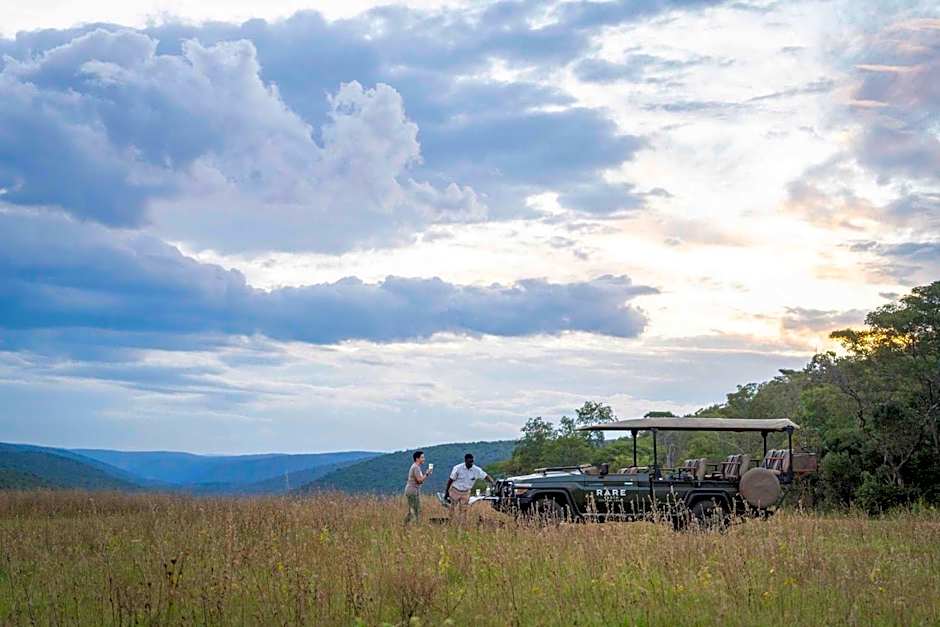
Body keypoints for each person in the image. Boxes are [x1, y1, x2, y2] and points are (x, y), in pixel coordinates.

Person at [446, 453, 494, 523]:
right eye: (469, 462)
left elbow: (486, 476)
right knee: (452, 507)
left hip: (466, 492)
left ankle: (462, 523)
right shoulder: (457, 468)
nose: (471, 463)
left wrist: (493, 482)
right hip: (455, 490)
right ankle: (451, 521)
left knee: (464, 509)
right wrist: (447, 491)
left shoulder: (476, 470)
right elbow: (450, 480)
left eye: (472, 462)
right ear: (465, 461)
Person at [404, 450, 432, 524]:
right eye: (422, 457)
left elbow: (419, 480)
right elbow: (419, 480)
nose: (424, 459)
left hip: (412, 490)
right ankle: (414, 525)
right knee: (416, 511)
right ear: (417, 459)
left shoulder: (416, 467)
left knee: (413, 510)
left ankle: (405, 525)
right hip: (412, 491)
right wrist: (427, 474)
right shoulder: (416, 467)